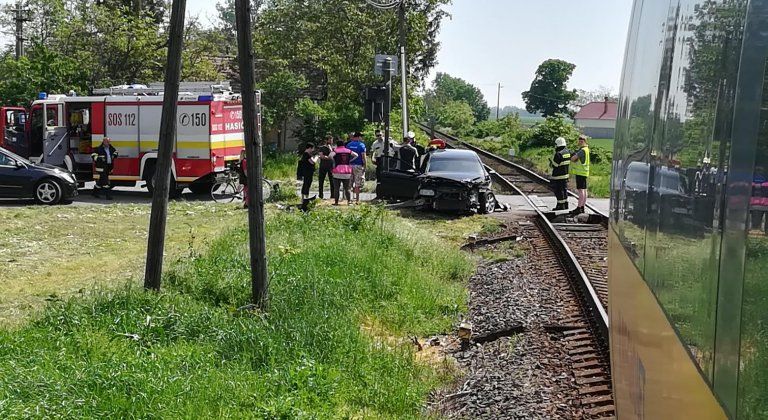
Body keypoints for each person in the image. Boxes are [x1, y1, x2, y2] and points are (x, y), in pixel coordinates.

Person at [330, 140, 358, 205]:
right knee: (347, 188)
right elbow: (356, 155)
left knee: (336, 188)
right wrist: (350, 160)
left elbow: (330, 156)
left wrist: (334, 161)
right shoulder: (348, 150)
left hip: (337, 171)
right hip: (347, 171)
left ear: (337, 145)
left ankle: (336, 202)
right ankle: (349, 201)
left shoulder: (335, 150)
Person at [549, 136, 571, 211]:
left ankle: (560, 206)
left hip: (558, 176)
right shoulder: (567, 152)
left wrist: (551, 163)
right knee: (564, 190)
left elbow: (555, 165)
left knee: (559, 191)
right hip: (565, 175)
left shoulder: (558, 154)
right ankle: (565, 204)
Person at [570, 135, 590, 214]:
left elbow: (573, 159)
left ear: (585, 141)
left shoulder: (582, 151)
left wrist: (573, 156)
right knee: (584, 190)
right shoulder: (587, 149)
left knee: (581, 190)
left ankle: (579, 207)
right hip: (584, 172)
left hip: (580, 172)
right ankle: (582, 206)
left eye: (581, 141)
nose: (580, 142)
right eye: (580, 141)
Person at [346, 131, 367, 203]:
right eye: (361, 137)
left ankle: (349, 199)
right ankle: (357, 200)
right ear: (358, 137)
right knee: (357, 183)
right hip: (358, 166)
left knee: (349, 183)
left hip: (349, 165)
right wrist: (365, 166)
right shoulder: (361, 145)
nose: (362, 138)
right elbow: (363, 157)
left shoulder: (348, 145)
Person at [296, 142, 317, 211]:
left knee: (305, 183)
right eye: (312, 148)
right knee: (307, 184)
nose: (313, 150)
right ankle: (305, 198)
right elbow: (312, 162)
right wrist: (316, 158)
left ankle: (303, 198)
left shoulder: (305, 154)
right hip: (308, 172)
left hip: (306, 172)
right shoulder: (306, 154)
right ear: (310, 148)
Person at [317, 135, 335, 200]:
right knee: (321, 181)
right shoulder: (322, 147)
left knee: (332, 181)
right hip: (323, 166)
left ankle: (333, 195)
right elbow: (321, 156)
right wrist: (327, 157)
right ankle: (321, 195)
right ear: (327, 140)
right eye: (330, 140)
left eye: (332, 140)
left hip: (331, 166)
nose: (331, 141)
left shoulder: (332, 148)